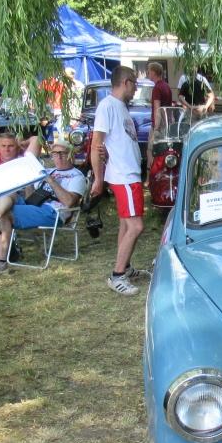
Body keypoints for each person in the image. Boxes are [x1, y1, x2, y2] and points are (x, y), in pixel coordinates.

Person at [0, 139, 87, 276]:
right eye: (55, 153)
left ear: (71, 155)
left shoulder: (76, 176)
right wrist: (29, 180)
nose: (58, 156)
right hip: (35, 206)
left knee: (6, 214)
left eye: (62, 153)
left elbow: (69, 202)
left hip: (53, 212)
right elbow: (30, 197)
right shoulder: (49, 170)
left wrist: (50, 180)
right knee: (5, 193)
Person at [91, 66, 151, 295]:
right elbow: (96, 144)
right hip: (123, 175)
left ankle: (125, 267)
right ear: (126, 82)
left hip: (129, 174)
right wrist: (98, 179)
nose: (135, 88)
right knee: (136, 226)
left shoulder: (121, 107)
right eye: (134, 83)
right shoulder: (107, 106)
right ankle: (116, 275)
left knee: (126, 224)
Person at [147, 62, 173, 168]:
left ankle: (151, 174)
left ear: (154, 72)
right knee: (164, 152)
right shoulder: (167, 86)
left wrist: (156, 129)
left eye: (149, 71)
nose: (148, 73)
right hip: (167, 125)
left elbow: (157, 110)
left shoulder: (157, 88)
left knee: (151, 150)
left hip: (159, 126)